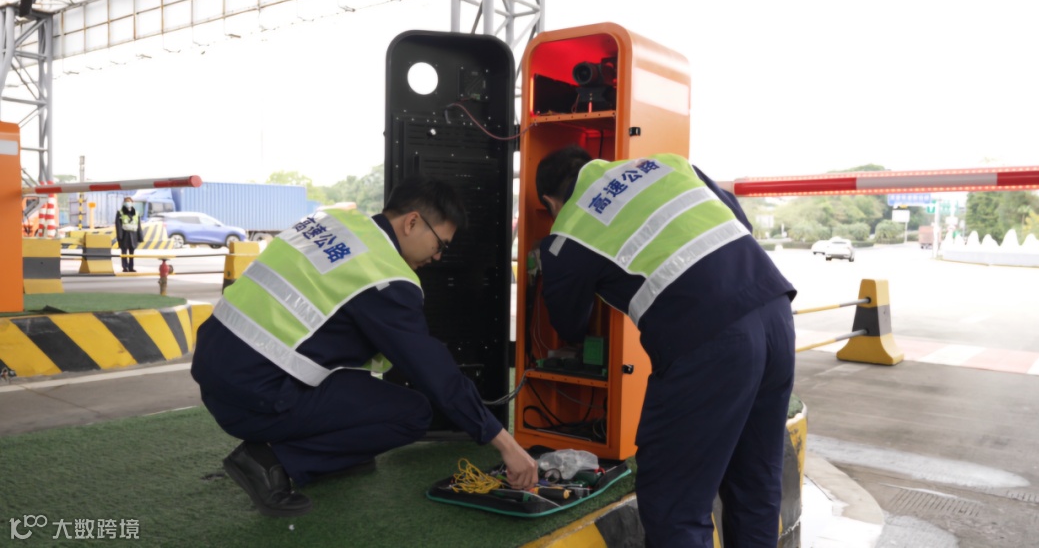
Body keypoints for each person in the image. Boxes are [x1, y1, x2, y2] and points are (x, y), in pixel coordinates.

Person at [190, 175, 537, 517]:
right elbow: (436, 374)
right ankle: (269, 461)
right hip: (256, 396)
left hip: (216, 370)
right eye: (440, 245)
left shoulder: (333, 221)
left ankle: (331, 458)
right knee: (412, 414)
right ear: (412, 222)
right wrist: (505, 444)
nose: (438, 258)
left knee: (358, 381)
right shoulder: (384, 276)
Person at [534, 146, 797, 548]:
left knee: (675, 502)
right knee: (755, 484)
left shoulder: (568, 230)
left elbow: (568, 324)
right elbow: (737, 222)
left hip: (708, 341)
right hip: (775, 311)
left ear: (550, 202)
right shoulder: (667, 164)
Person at [114, 196, 143, 272]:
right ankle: (125, 267)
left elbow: (139, 225)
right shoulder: (120, 212)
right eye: (126, 202)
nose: (128, 203)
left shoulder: (136, 213)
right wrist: (119, 236)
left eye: (129, 201)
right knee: (124, 252)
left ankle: (131, 267)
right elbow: (118, 225)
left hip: (133, 235)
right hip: (124, 235)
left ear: (132, 203)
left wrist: (140, 236)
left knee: (132, 252)